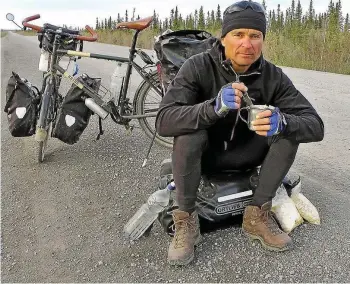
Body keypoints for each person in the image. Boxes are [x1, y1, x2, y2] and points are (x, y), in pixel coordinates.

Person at [155, 0, 324, 266]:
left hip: (249, 156)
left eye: (255, 36)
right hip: (206, 157)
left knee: (290, 131)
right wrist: (213, 108)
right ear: (224, 39)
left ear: (263, 40)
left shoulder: (273, 76)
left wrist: (282, 122)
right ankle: (186, 219)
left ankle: (257, 215)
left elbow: (316, 125)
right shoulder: (197, 67)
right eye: (238, 34)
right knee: (188, 132)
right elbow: (164, 121)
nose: (247, 43)